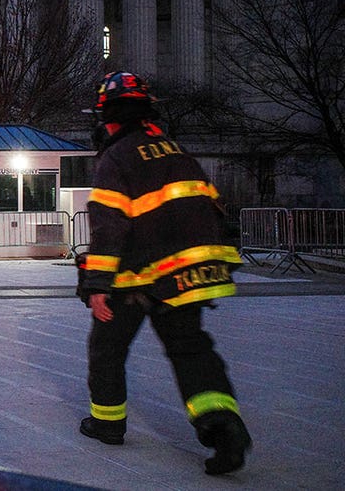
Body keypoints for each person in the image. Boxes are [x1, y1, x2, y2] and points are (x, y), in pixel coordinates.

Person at [77, 71, 251, 475]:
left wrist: (98, 286)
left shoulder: (116, 158)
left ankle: (106, 423)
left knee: (108, 347)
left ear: (108, 116)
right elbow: (211, 209)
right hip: (189, 276)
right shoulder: (177, 152)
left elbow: (109, 227)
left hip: (136, 279)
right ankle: (223, 426)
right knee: (191, 350)